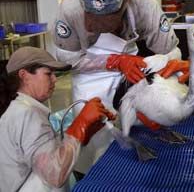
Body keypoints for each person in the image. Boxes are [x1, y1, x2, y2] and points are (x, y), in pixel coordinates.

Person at [52, 0, 182, 172]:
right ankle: (96, 174)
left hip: (131, 66)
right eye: (93, 19)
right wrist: (115, 61)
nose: (97, 25)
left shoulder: (146, 7)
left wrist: (161, 94)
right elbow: (67, 60)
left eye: (107, 20)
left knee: (139, 125)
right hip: (89, 74)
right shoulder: (69, 10)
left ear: (126, 0)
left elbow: (173, 54)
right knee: (96, 136)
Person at [0, 46, 115, 191]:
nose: (55, 79)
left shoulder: (16, 107)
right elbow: (54, 174)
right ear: (24, 75)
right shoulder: (26, 114)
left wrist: (84, 133)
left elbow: (41, 151)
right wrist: (80, 125)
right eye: (48, 74)